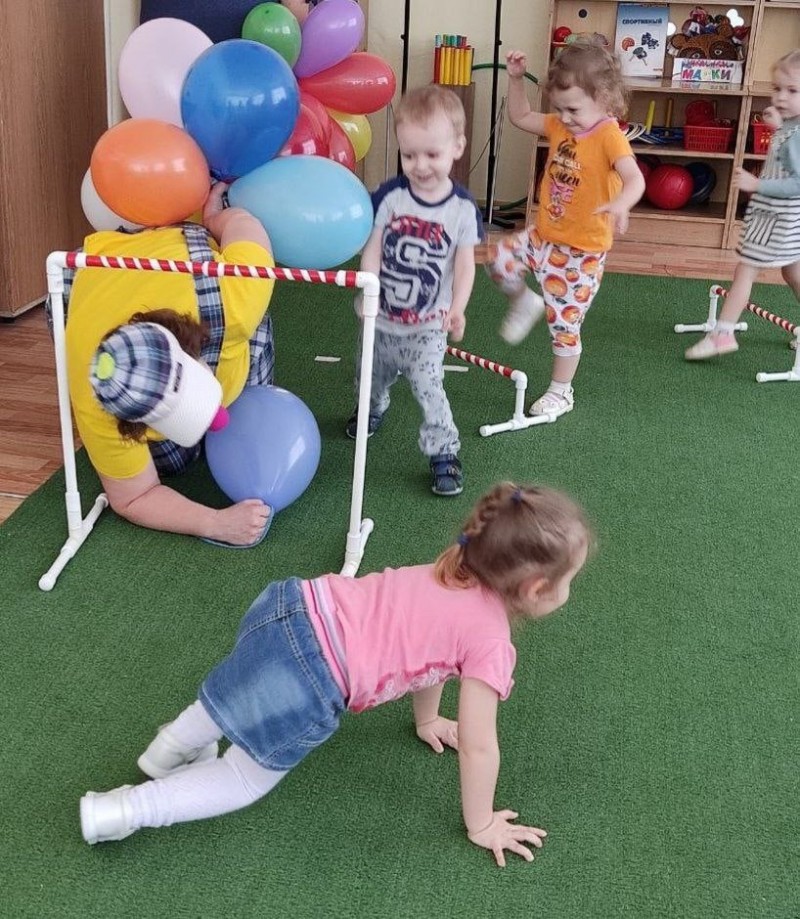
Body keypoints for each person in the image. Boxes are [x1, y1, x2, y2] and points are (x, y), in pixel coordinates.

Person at [79, 481, 591, 867]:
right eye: (569, 581)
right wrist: (480, 823)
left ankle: (168, 748)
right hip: (315, 673)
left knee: (236, 689)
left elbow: (435, 661)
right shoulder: (491, 641)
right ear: (536, 588)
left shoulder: (452, 568)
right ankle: (123, 811)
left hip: (291, 605)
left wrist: (427, 720)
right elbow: (479, 746)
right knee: (242, 778)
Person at [61, 182, 276, 547]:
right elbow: (132, 498)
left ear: (193, 349)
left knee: (254, 344)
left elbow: (247, 226)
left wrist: (216, 218)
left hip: (181, 251)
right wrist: (214, 523)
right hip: (104, 271)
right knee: (173, 463)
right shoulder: (96, 395)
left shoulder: (234, 299)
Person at [485, 44, 645, 418]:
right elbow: (520, 116)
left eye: (573, 109)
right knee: (499, 259)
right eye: (559, 108)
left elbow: (634, 178)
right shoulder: (560, 124)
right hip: (543, 235)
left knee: (564, 323)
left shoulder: (609, 135)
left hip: (581, 252)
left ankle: (561, 391)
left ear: (604, 99)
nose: (565, 117)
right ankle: (523, 301)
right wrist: (515, 79)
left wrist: (622, 203)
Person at [345, 84, 484, 497]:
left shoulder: (461, 209)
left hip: (427, 326)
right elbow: (372, 248)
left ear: (457, 147)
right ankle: (373, 408)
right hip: (381, 321)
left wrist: (457, 308)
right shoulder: (390, 197)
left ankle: (444, 452)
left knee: (430, 388)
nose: (420, 165)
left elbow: (465, 264)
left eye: (432, 155)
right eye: (409, 155)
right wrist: (370, 290)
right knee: (369, 378)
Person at [685, 49, 800, 361]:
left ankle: (723, 333)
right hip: (781, 216)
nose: (781, 97)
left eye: (792, 91)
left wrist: (757, 184)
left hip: (779, 216)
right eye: (777, 88)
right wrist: (779, 127)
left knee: (746, 269)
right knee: (793, 272)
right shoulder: (793, 126)